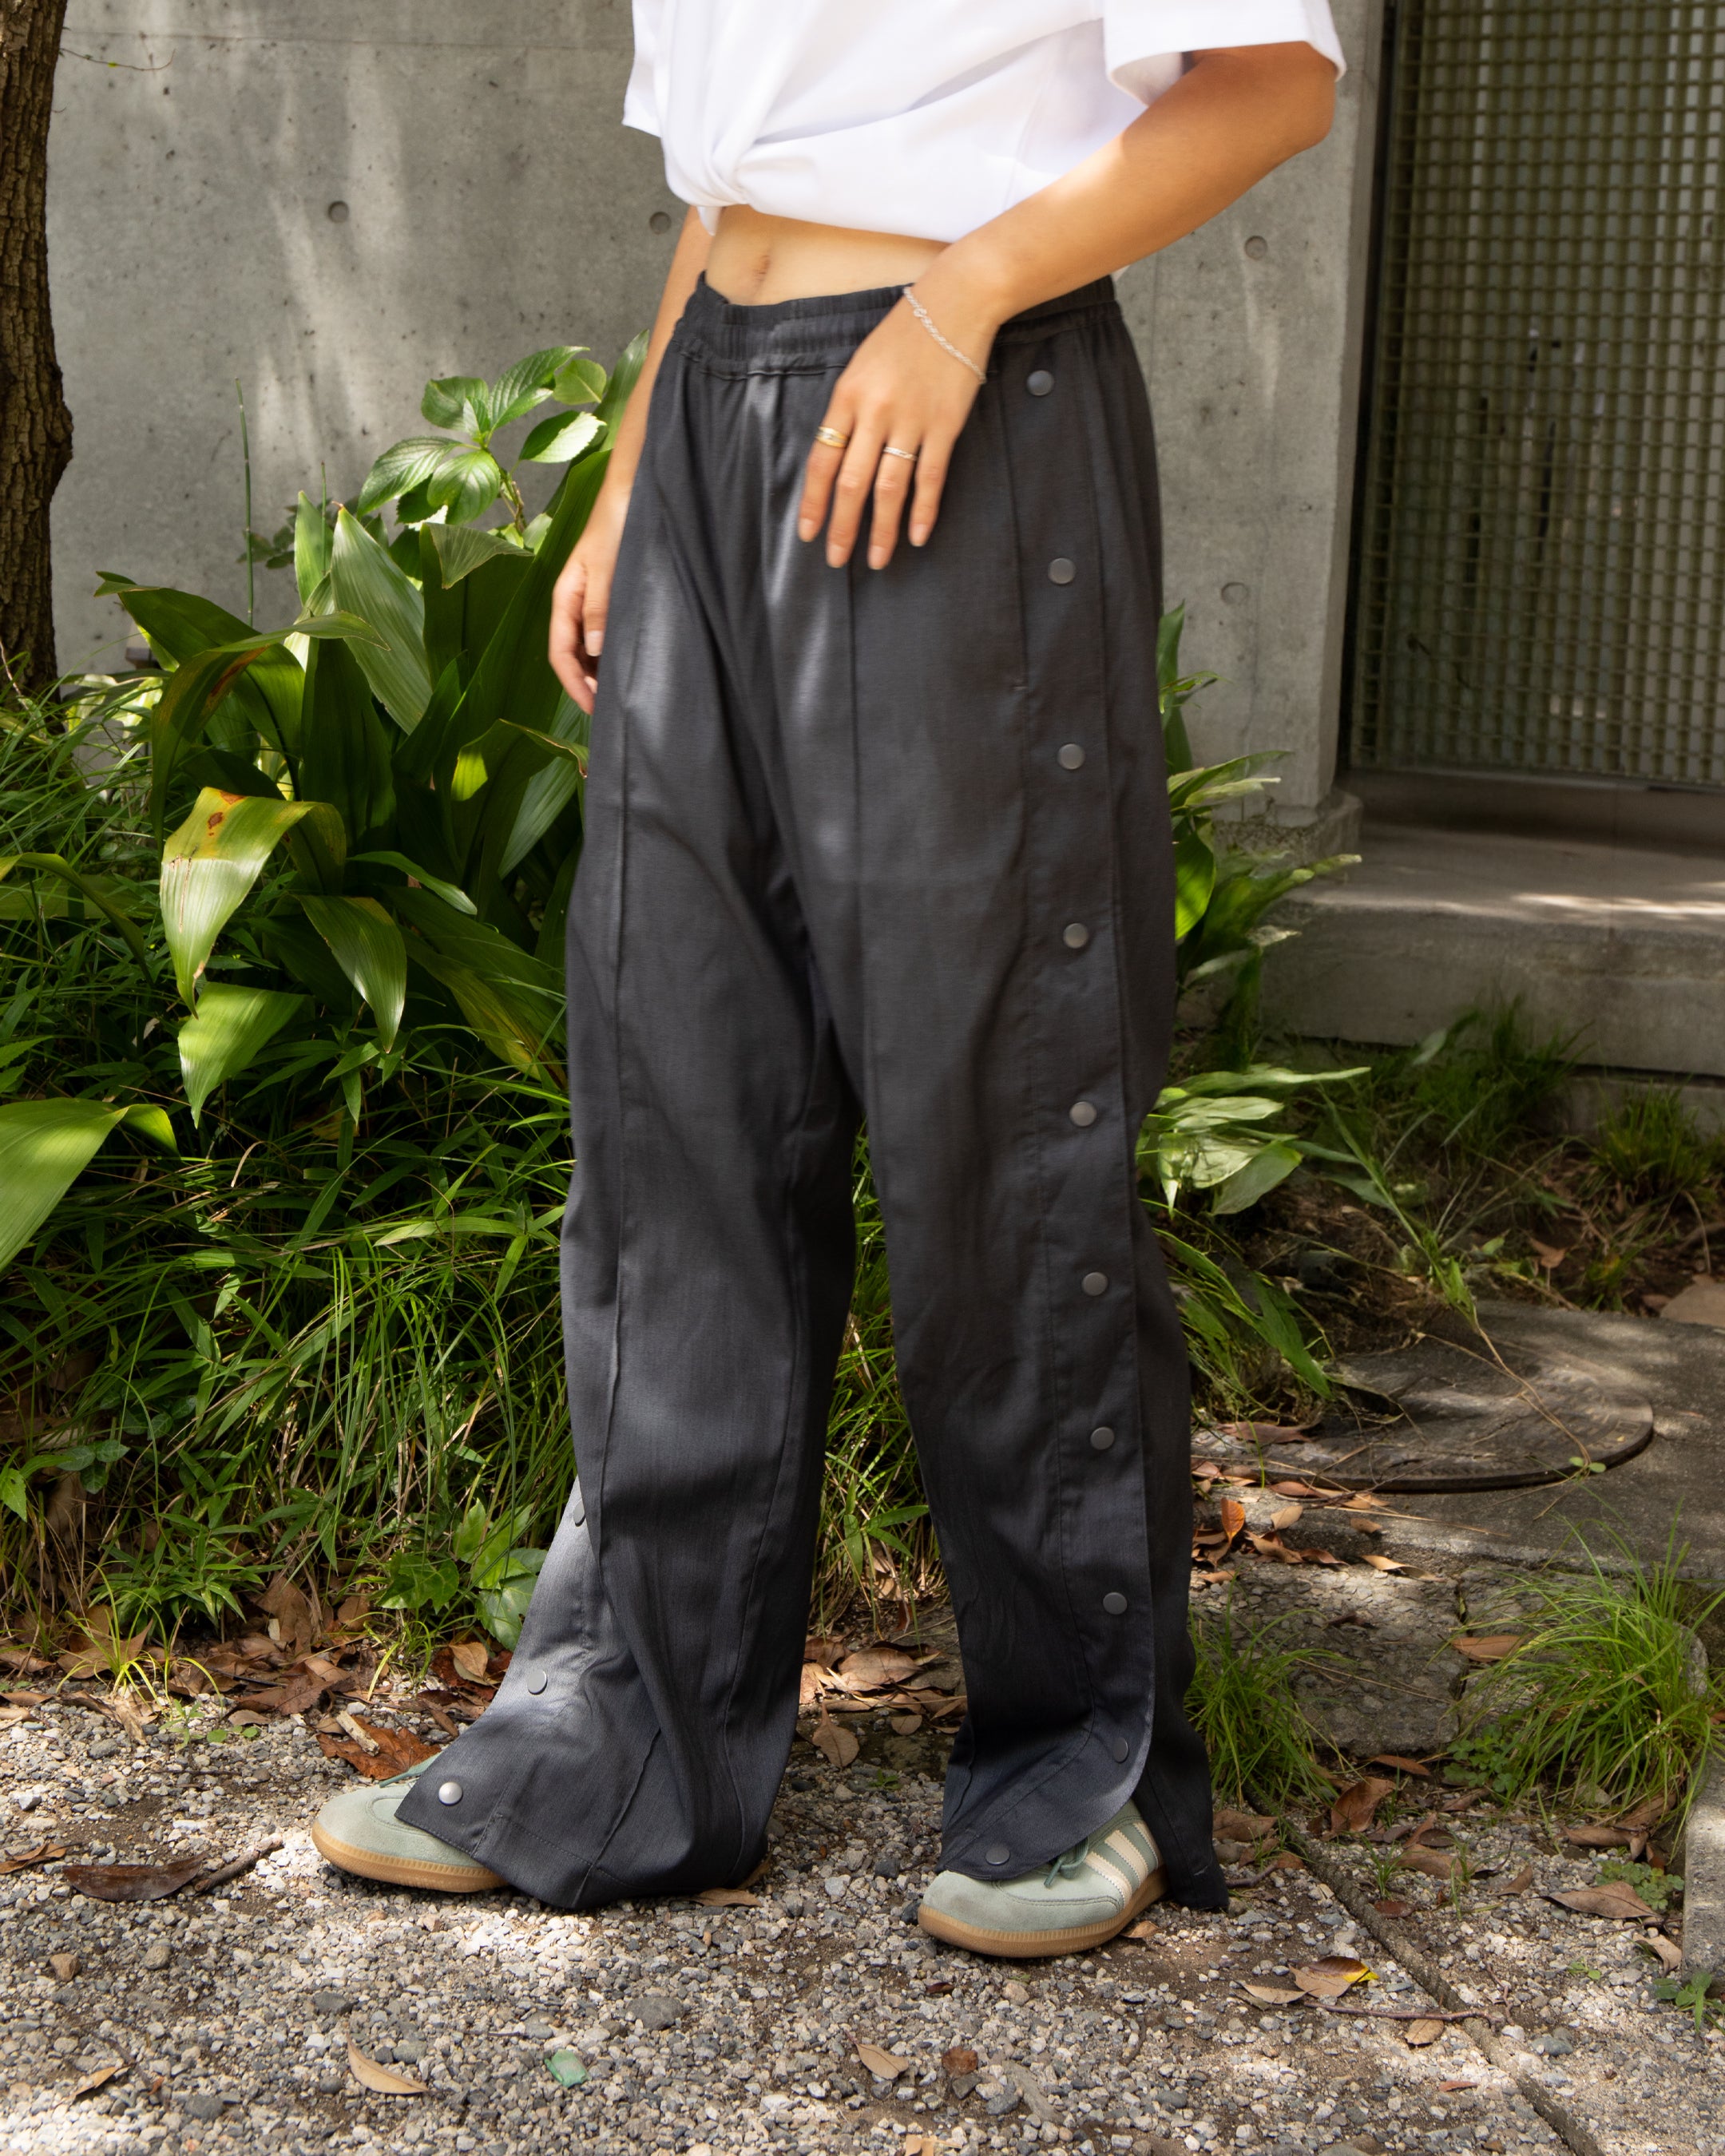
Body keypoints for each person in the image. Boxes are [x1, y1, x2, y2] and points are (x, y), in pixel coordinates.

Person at [313, 0, 1343, 1960]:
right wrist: (640, 468)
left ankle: (1080, 1761)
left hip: (963, 388)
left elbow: (1272, 85)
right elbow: (734, 182)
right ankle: (625, 1736)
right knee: (677, 1092)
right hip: (720, 406)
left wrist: (964, 301)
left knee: (995, 1097)